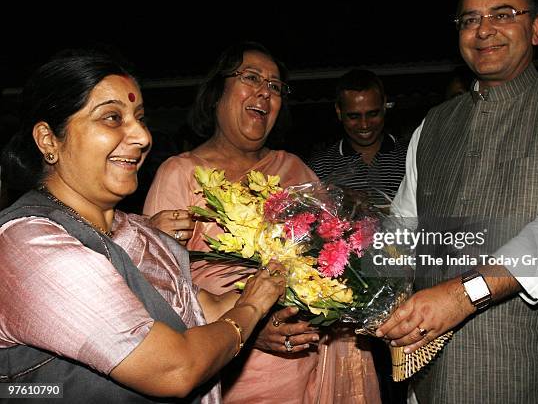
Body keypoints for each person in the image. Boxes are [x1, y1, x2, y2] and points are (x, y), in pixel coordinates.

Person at [378, 0, 538, 403]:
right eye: (469, 19)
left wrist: (466, 293)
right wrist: (352, 277)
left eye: (502, 14)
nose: (483, 30)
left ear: (536, 28)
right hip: (436, 379)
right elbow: (401, 228)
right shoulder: (434, 125)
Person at [0, 49, 287, 403]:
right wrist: (253, 307)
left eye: (139, 118)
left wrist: (295, 278)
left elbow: (203, 309)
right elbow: (175, 369)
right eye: (111, 118)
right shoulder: (29, 247)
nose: (142, 137)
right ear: (48, 140)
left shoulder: (137, 230)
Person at [143, 42, 381, 403]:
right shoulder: (180, 174)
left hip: (304, 363)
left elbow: (335, 263)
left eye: (274, 86)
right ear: (216, 94)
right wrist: (249, 327)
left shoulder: (294, 170)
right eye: (251, 78)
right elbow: (155, 294)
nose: (264, 92)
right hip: (226, 367)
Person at [308, 69, 408, 209]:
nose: (364, 124)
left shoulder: (412, 157)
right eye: (354, 116)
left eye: (373, 114)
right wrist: (336, 204)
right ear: (339, 111)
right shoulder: (320, 167)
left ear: (384, 105)